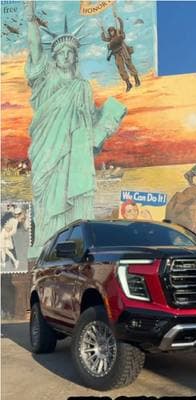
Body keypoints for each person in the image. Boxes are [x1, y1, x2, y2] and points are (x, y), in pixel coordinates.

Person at [24, 1, 127, 258]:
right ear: (55, 58)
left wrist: (108, 121)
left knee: (76, 192)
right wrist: (30, 21)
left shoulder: (82, 86)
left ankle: (76, 242)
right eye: (61, 52)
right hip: (48, 147)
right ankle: (48, 242)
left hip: (76, 152)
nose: (66, 56)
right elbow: (36, 51)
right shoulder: (45, 80)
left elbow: (90, 120)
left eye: (71, 52)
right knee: (47, 194)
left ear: (75, 56)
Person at [100, 10, 140, 92]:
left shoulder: (119, 33)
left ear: (114, 30)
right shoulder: (110, 39)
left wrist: (117, 17)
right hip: (117, 54)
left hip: (123, 52)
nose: (111, 32)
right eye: (110, 31)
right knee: (121, 69)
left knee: (130, 65)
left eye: (112, 31)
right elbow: (103, 38)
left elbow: (121, 25)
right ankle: (128, 84)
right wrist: (102, 29)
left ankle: (137, 80)